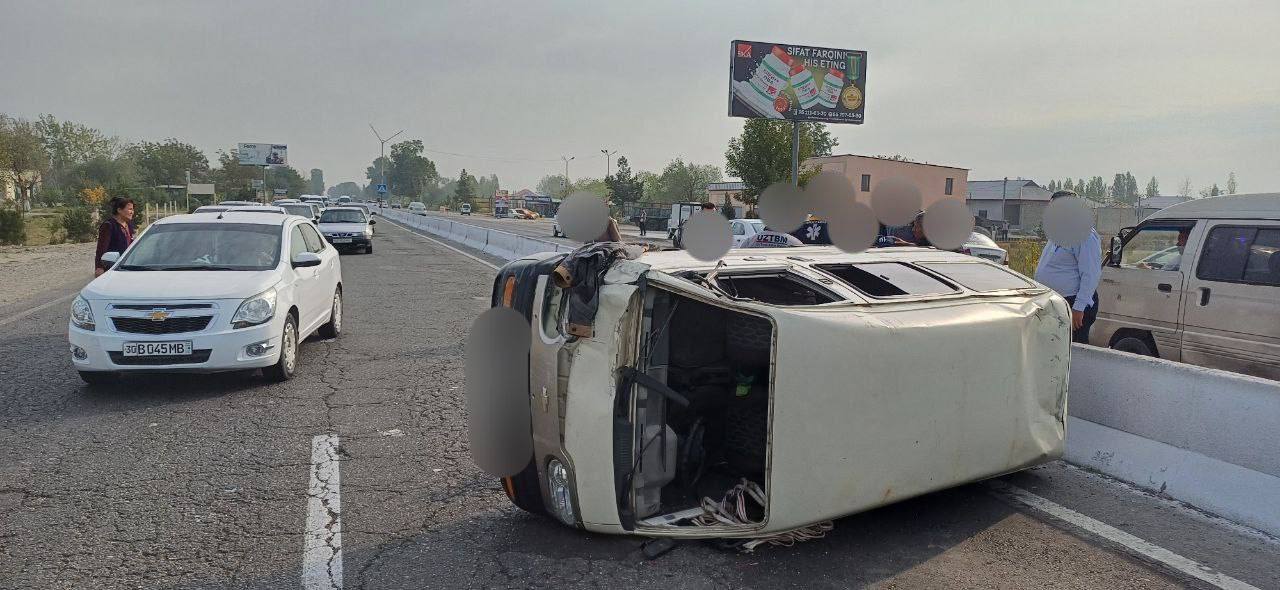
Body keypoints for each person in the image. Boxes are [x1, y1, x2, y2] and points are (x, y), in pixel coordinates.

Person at [1034, 190, 1103, 344]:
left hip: (1073, 304)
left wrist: (1079, 308)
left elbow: (1091, 275)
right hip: (1054, 302)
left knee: (1072, 351)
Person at [95, 197, 135, 277]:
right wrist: (99, 267)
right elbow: (101, 248)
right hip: (112, 268)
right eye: (130, 209)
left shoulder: (129, 225)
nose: (132, 212)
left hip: (127, 266)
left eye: (132, 209)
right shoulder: (109, 225)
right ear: (119, 210)